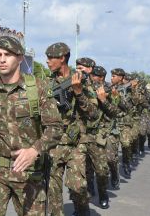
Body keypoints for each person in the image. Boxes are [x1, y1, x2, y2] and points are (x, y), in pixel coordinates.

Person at [0, 36, 63, 215]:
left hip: (29, 173)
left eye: (8, 54)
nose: (2, 59)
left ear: (20, 57)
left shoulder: (37, 88)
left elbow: (55, 127)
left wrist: (35, 150)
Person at [45, 44, 99, 215]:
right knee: (52, 190)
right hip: (53, 143)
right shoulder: (47, 83)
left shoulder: (81, 80)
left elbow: (93, 113)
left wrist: (78, 93)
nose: (47, 61)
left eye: (50, 57)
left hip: (76, 143)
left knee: (78, 187)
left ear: (62, 58)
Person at [76, 58, 109, 210]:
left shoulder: (100, 87)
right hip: (79, 136)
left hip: (96, 136)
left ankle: (103, 194)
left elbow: (112, 112)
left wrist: (104, 100)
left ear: (91, 69)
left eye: (82, 68)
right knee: (81, 173)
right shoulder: (74, 84)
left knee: (101, 171)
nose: (79, 70)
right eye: (77, 67)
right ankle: (83, 202)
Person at [110, 68, 133, 179]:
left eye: (114, 76)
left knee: (126, 144)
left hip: (124, 122)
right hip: (112, 123)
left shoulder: (129, 90)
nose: (112, 78)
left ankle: (126, 162)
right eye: (111, 76)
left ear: (121, 77)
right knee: (112, 154)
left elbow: (128, 107)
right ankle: (114, 173)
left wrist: (118, 97)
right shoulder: (108, 88)